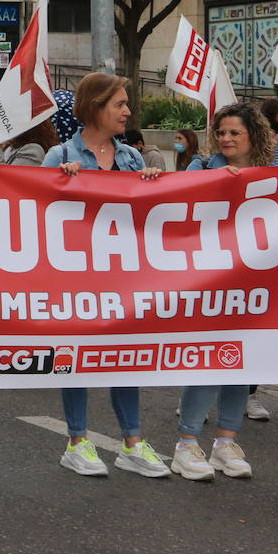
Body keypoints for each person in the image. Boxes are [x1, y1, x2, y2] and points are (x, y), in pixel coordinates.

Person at [42, 72, 167, 479]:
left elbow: (146, 216)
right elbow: (31, 211)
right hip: (76, 278)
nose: (128, 111)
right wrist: (60, 185)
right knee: (76, 358)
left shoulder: (131, 157)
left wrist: (149, 185)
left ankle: (133, 443)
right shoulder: (59, 155)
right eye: (120, 104)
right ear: (95, 107)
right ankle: (77, 441)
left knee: (125, 358)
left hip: (121, 279)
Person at [168, 102, 273, 480]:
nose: (226, 139)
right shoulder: (201, 167)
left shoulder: (274, 174)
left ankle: (226, 442)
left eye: (235, 133)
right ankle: (186, 443)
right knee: (207, 359)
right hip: (208, 279)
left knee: (241, 364)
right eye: (222, 132)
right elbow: (172, 198)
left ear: (253, 136)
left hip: (253, 282)